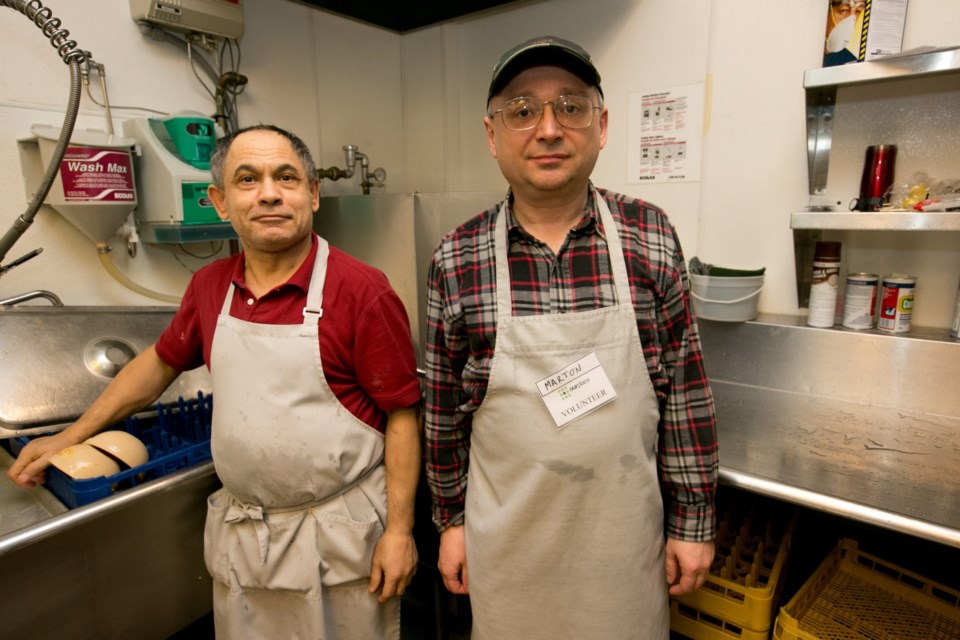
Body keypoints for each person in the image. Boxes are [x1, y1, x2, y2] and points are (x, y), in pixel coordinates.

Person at [9, 125, 422, 639]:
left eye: (287, 177)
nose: (269, 193)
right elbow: (158, 365)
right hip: (242, 537)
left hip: (336, 535)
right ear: (221, 203)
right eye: (248, 179)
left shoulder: (362, 291)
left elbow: (404, 414)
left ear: (313, 194)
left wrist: (400, 531)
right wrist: (70, 436)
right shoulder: (210, 286)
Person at [423, 36, 718, 639]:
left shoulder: (649, 235)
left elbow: (685, 394)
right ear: (491, 135)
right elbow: (443, 414)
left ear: (602, 125)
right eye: (523, 110)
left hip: (624, 546)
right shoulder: (457, 258)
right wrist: (450, 523)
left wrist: (693, 522)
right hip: (507, 547)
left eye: (571, 107)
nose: (549, 129)